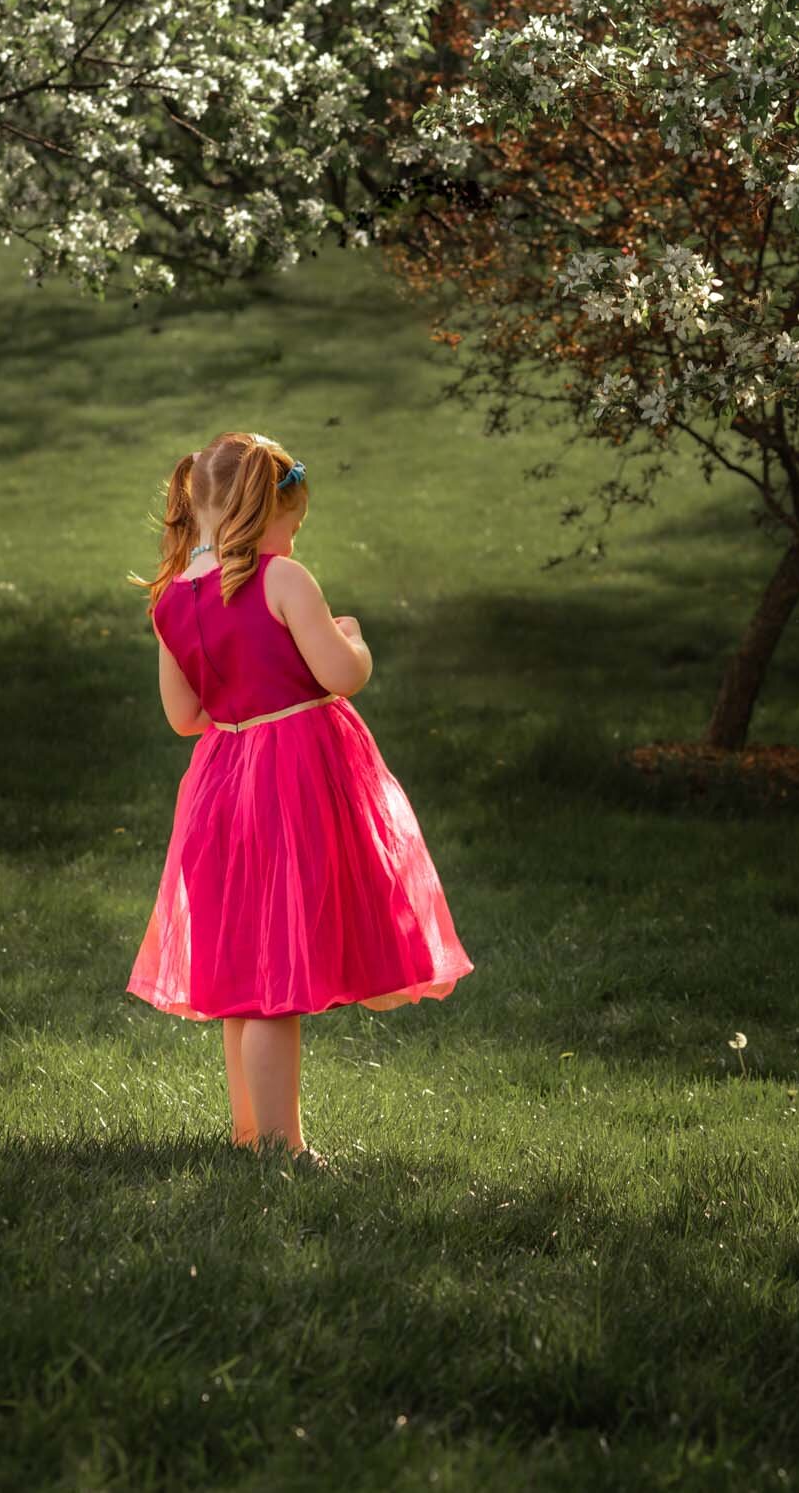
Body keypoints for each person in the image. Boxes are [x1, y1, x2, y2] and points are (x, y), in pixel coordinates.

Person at [127, 430, 471, 1169]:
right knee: (279, 974)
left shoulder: (173, 601)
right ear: (267, 514)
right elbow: (340, 674)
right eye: (294, 522)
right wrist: (354, 639)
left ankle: (250, 1132)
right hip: (295, 780)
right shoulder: (285, 580)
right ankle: (284, 1147)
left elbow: (184, 717)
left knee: (242, 977)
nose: (294, 537)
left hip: (222, 784)